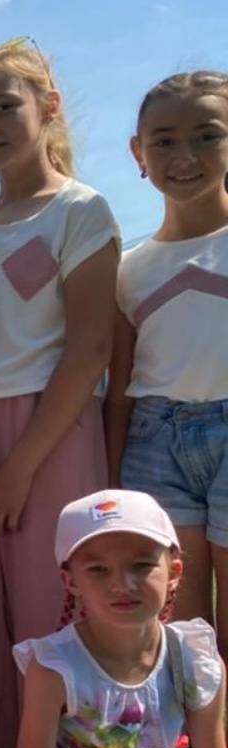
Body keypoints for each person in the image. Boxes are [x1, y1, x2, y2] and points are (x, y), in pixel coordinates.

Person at [0, 39, 119, 748]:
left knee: (56, 619)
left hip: (52, 437)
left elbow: (90, 348)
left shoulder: (82, 211)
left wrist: (19, 469)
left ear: (48, 107)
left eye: (3, 107)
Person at [11, 489, 228, 748]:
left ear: (174, 570)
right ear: (70, 581)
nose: (122, 584)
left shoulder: (194, 657)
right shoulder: (54, 667)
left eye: (142, 565)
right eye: (98, 569)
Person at [108, 71, 228, 658]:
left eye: (208, 135)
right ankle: (200, 727)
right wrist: (110, 478)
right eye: (164, 140)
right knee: (182, 634)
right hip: (155, 445)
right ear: (139, 153)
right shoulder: (128, 269)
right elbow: (120, 390)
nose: (185, 155)